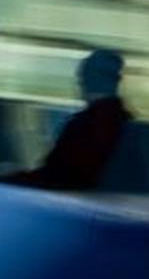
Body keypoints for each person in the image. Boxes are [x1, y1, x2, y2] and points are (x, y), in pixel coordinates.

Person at [25, 49, 137, 189]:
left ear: (87, 80)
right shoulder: (128, 123)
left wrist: (7, 180)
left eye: (81, 76)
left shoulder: (83, 126)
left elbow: (54, 176)